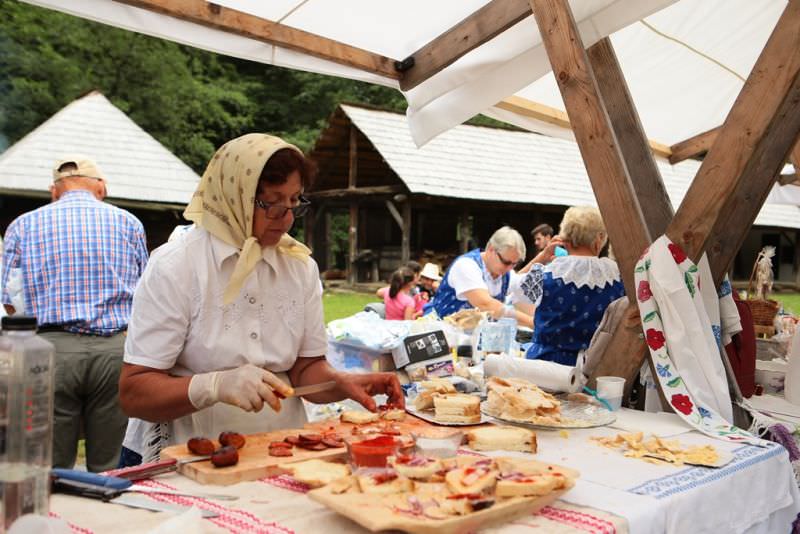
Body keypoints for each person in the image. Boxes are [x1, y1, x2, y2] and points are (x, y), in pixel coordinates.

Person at [118, 133, 404, 464]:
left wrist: (342, 383)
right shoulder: (177, 266)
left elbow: (304, 369)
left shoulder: (299, 268)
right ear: (232, 197)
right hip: (191, 451)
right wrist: (214, 386)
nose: (286, 218)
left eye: (295, 201)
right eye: (271, 203)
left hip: (280, 449)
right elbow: (135, 392)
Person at [1, 156, 148, 471]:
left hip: (49, 352)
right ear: (101, 188)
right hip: (116, 352)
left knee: (47, 466)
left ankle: (51, 516)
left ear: (54, 191)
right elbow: (148, 294)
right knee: (110, 467)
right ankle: (104, 517)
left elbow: (8, 301)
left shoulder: (22, 225)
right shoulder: (129, 223)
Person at [513, 206, 624, 365]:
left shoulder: (544, 274)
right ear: (599, 239)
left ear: (563, 238)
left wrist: (543, 256)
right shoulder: (616, 277)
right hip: (594, 370)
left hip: (544, 366)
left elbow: (513, 288)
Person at [424, 226, 532, 327]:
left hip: (471, 340)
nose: (509, 268)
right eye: (506, 262)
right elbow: (486, 305)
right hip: (442, 334)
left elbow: (525, 293)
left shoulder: (507, 276)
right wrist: (531, 322)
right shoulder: (466, 266)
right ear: (491, 249)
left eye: (514, 264)